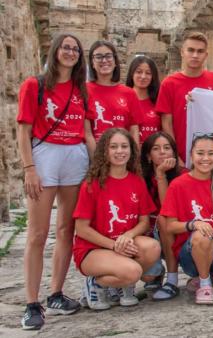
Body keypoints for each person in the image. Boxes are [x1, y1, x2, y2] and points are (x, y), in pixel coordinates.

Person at [17, 33, 88, 330]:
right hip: (45, 154)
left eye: (75, 49)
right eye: (65, 47)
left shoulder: (80, 89)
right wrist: (29, 168)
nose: (70, 53)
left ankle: (56, 292)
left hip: (75, 154)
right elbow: (23, 129)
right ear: (55, 50)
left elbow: (86, 129)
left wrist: (98, 165)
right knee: (37, 232)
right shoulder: (35, 85)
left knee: (66, 228)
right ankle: (32, 302)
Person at [73, 128, 161, 310]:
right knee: (133, 272)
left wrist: (128, 235)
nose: (120, 151)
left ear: (132, 150)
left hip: (123, 244)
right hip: (94, 249)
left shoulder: (136, 181)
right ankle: (96, 283)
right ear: (104, 151)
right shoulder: (92, 184)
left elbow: (144, 221)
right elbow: (82, 229)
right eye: (114, 147)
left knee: (152, 247)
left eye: (124, 146)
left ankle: (120, 286)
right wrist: (113, 245)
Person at [160, 133, 213, 304]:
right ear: (191, 155)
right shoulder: (178, 185)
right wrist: (193, 224)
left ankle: (202, 279)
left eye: (211, 153)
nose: (206, 158)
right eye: (200, 153)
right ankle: (205, 285)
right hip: (192, 251)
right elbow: (169, 226)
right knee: (203, 233)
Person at [155, 32, 213, 163]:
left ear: (206, 55)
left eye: (200, 51)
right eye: (191, 50)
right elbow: (166, 123)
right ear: (182, 52)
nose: (195, 55)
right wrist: (175, 155)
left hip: (209, 155)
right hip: (181, 154)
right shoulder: (169, 83)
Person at [139, 132, 184, 300]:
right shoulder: (139, 178)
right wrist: (159, 174)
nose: (163, 152)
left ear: (174, 153)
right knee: (148, 276)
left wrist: (161, 175)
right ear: (148, 156)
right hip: (149, 236)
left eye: (167, 148)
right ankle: (158, 272)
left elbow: (167, 210)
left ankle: (172, 280)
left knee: (164, 220)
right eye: (156, 149)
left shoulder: (184, 175)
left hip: (178, 233)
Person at [84, 41, 142, 153]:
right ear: (92, 63)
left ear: (115, 62)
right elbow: (87, 132)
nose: (104, 60)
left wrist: (134, 158)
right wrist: (97, 161)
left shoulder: (129, 93)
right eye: (98, 57)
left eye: (108, 56)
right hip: (94, 154)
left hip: (122, 155)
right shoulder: (84, 90)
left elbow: (134, 130)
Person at [125, 55, 161, 145]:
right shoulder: (122, 100)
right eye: (139, 72)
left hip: (153, 155)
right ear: (131, 73)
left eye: (148, 73)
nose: (143, 76)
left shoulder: (159, 101)